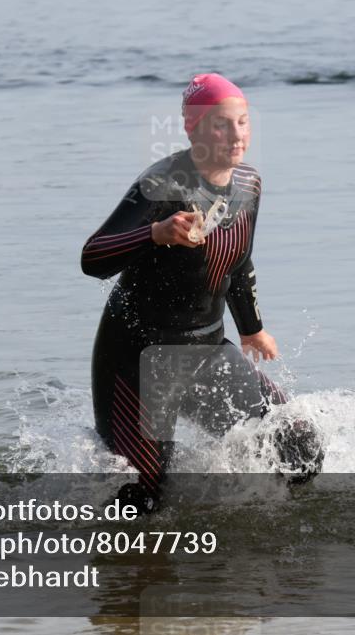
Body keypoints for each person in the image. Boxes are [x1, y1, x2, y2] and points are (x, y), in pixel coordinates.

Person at [81, 73, 316, 512]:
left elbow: (239, 259)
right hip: (138, 361)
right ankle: (121, 574)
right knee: (142, 501)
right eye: (221, 124)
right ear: (192, 128)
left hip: (206, 350)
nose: (236, 135)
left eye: (243, 123)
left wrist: (252, 330)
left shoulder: (249, 186)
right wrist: (154, 234)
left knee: (299, 448)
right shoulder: (160, 185)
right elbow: (92, 257)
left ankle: (262, 549)